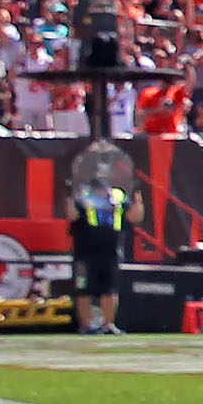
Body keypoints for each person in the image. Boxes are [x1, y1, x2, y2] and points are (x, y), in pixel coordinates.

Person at [68, 137, 134, 336]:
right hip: (86, 248)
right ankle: (86, 325)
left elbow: (134, 216)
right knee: (84, 289)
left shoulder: (118, 196)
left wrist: (137, 198)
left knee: (110, 289)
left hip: (111, 249)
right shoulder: (82, 195)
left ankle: (109, 323)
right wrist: (70, 194)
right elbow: (71, 215)